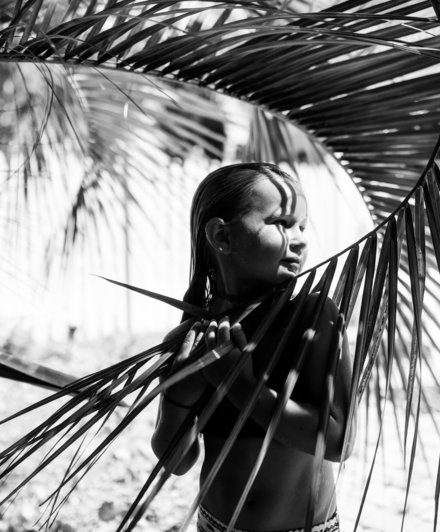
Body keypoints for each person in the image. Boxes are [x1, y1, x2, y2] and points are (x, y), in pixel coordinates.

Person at [151, 163, 354, 532]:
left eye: (302, 227)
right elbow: (177, 462)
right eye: (281, 222)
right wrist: (178, 396)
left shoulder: (311, 318)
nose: (300, 238)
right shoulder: (194, 339)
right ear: (222, 236)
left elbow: (338, 442)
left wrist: (241, 386)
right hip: (217, 526)